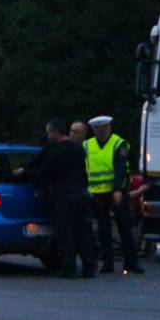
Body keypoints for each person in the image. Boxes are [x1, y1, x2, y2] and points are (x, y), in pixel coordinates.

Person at [16, 119, 97, 278]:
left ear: (55, 132)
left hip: (64, 195)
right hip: (80, 194)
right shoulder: (78, 149)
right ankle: (89, 267)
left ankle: (68, 268)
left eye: (48, 132)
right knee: (83, 231)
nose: (47, 135)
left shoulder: (54, 150)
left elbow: (43, 172)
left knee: (65, 232)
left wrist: (24, 172)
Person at [84, 115, 144, 274]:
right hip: (97, 193)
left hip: (115, 192)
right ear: (93, 130)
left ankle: (131, 263)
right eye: (97, 129)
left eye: (103, 128)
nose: (100, 131)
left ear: (109, 127)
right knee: (104, 230)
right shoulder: (87, 145)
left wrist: (117, 189)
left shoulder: (119, 143)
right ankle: (107, 264)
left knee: (124, 227)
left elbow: (121, 169)